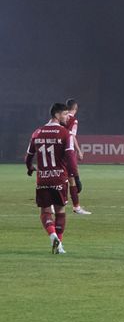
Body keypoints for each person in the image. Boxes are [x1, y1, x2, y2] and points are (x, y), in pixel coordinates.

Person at [25, 102, 80, 254]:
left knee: (45, 211)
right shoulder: (65, 133)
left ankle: (52, 236)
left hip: (42, 178)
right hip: (59, 178)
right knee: (60, 211)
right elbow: (70, 158)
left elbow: (28, 157)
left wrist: (29, 167)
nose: (67, 117)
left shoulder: (37, 132)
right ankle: (59, 244)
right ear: (57, 114)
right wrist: (76, 177)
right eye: (65, 114)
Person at [63, 98, 90, 215]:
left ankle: (56, 204)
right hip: (67, 151)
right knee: (72, 180)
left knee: (60, 178)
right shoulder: (73, 120)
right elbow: (72, 136)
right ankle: (76, 207)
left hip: (57, 152)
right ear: (76, 108)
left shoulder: (60, 118)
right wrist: (79, 151)